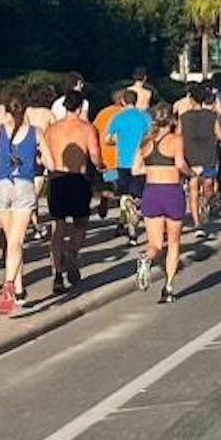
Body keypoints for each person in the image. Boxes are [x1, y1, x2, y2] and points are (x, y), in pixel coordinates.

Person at [0, 92, 51, 314]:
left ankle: (19, 288)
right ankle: (9, 283)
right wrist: (39, 161)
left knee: (10, 241)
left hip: (1, 185)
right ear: (26, 109)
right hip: (24, 185)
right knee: (17, 242)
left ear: (7, 109)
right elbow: (50, 161)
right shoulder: (36, 133)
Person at [45, 90, 102, 294]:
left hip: (57, 178)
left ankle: (57, 273)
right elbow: (94, 155)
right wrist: (101, 167)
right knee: (81, 222)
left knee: (58, 227)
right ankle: (72, 252)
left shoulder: (51, 130)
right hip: (78, 178)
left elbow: (45, 154)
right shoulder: (87, 129)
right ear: (79, 108)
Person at [134, 104, 191, 303]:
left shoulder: (146, 142)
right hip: (171, 192)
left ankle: (146, 258)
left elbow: (136, 169)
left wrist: (153, 168)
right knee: (174, 242)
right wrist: (192, 174)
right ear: (172, 120)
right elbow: (180, 164)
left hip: (151, 192)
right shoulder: (176, 140)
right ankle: (168, 287)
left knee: (155, 244)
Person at [107, 89, 152, 246]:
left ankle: (131, 232)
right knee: (138, 196)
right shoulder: (145, 117)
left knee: (125, 196)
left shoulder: (118, 118)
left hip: (123, 162)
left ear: (123, 102)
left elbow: (108, 139)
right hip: (140, 162)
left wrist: (118, 140)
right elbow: (152, 136)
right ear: (136, 100)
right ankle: (133, 222)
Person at [178, 83, 221, 238]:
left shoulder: (183, 117)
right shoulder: (212, 116)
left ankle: (197, 221)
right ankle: (203, 212)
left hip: (190, 156)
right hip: (208, 156)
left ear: (191, 99)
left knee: (193, 191)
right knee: (208, 187)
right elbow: (220, 135)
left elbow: (178, 135)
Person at [25, 85, 57, 241]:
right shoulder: (48, 114)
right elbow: (54, 136)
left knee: (29, 196)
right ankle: (35, 226)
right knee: (32, 197)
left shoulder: (26, 112)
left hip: (24, 155)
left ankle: (36, 225)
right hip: (40, 155)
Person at [93, 88, 125, 220]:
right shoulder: (125, 114)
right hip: (121, 158)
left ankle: (105, 198)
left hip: (105, 158)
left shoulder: (103, 113)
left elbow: (94, 131)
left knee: (109, 185)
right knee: (124, 192)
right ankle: (123, 221)